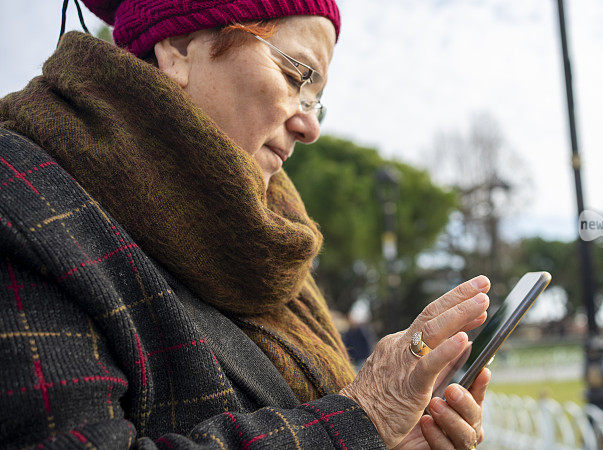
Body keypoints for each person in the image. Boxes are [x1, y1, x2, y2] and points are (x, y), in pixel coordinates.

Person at [0, 1, 493, 448]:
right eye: (296, 73)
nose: (311, 126)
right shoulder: (18, 197)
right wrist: (363, 418)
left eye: (315, 98)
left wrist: (392, 440)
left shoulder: (268, 236)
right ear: (177, 48)